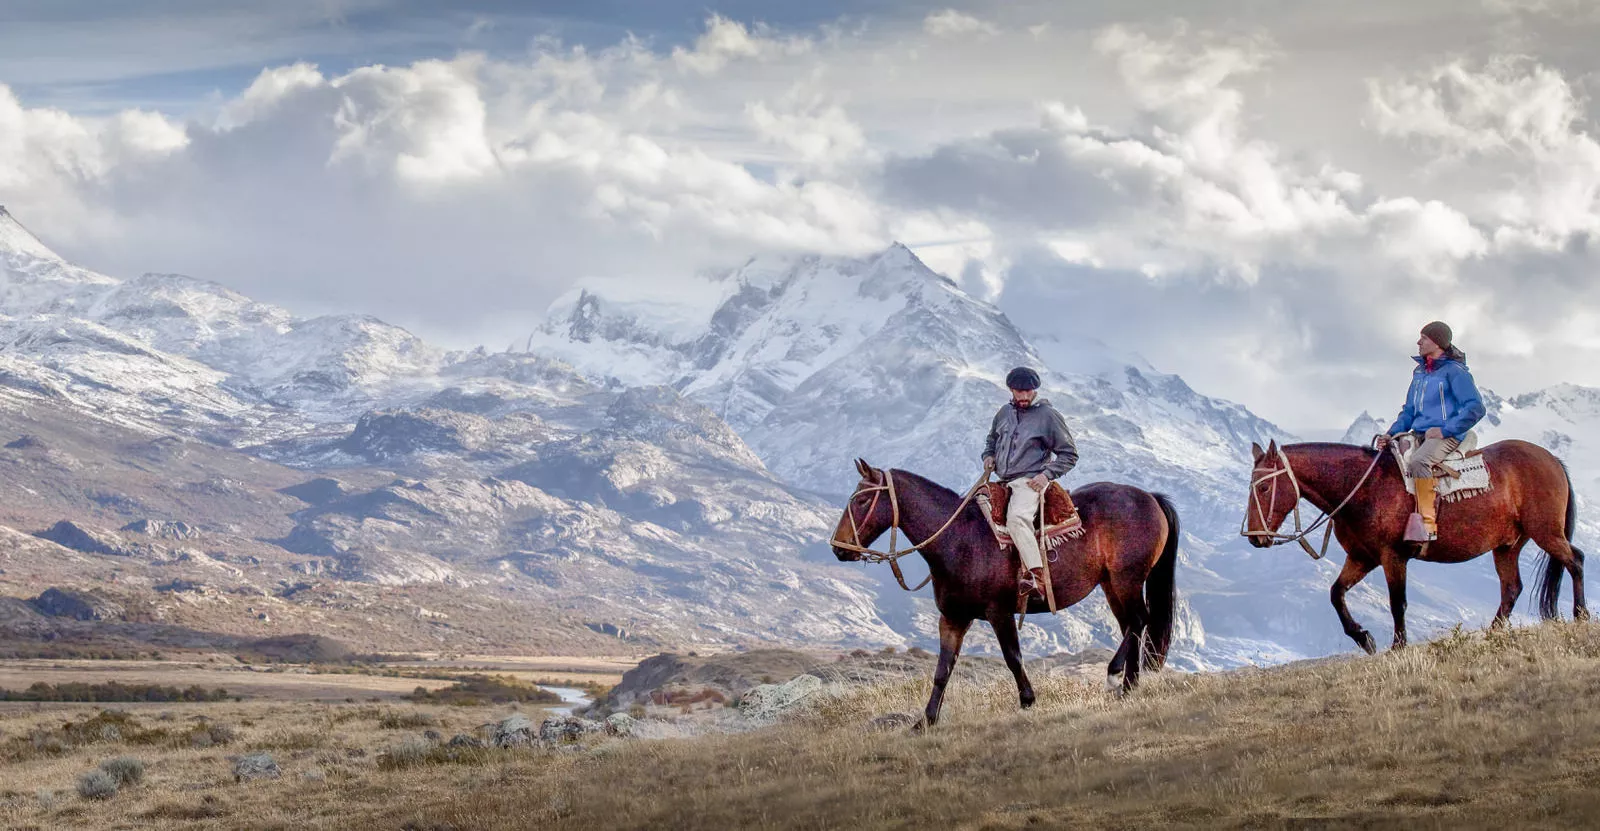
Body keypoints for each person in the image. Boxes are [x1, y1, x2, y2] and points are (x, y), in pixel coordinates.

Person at [1375, 321, 1485, 542]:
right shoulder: (1420, 373)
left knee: (1419, 462)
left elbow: (1476, 407)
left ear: (1437, 342)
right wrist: (1390, 434)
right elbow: (1408, 412)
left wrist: (1446, 430)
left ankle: (1427, 525)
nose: (1418, 342)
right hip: (1420, 433)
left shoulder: (1455, 372)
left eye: (1423, 338)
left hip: (1448, 436)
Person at [982, 367, 1079, 600]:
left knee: (1017, 519)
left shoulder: (1048, 416)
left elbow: (1069, 454)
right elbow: (992, 440)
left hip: (1029, 480)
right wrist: (988, 455)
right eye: (1018, 391)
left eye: (1028, 391)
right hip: (1002, 480)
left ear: (1035, 390)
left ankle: (1036, 575)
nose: (1023, 397)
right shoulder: (1003, 413)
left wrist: (1046, 475)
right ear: (1011, 390)